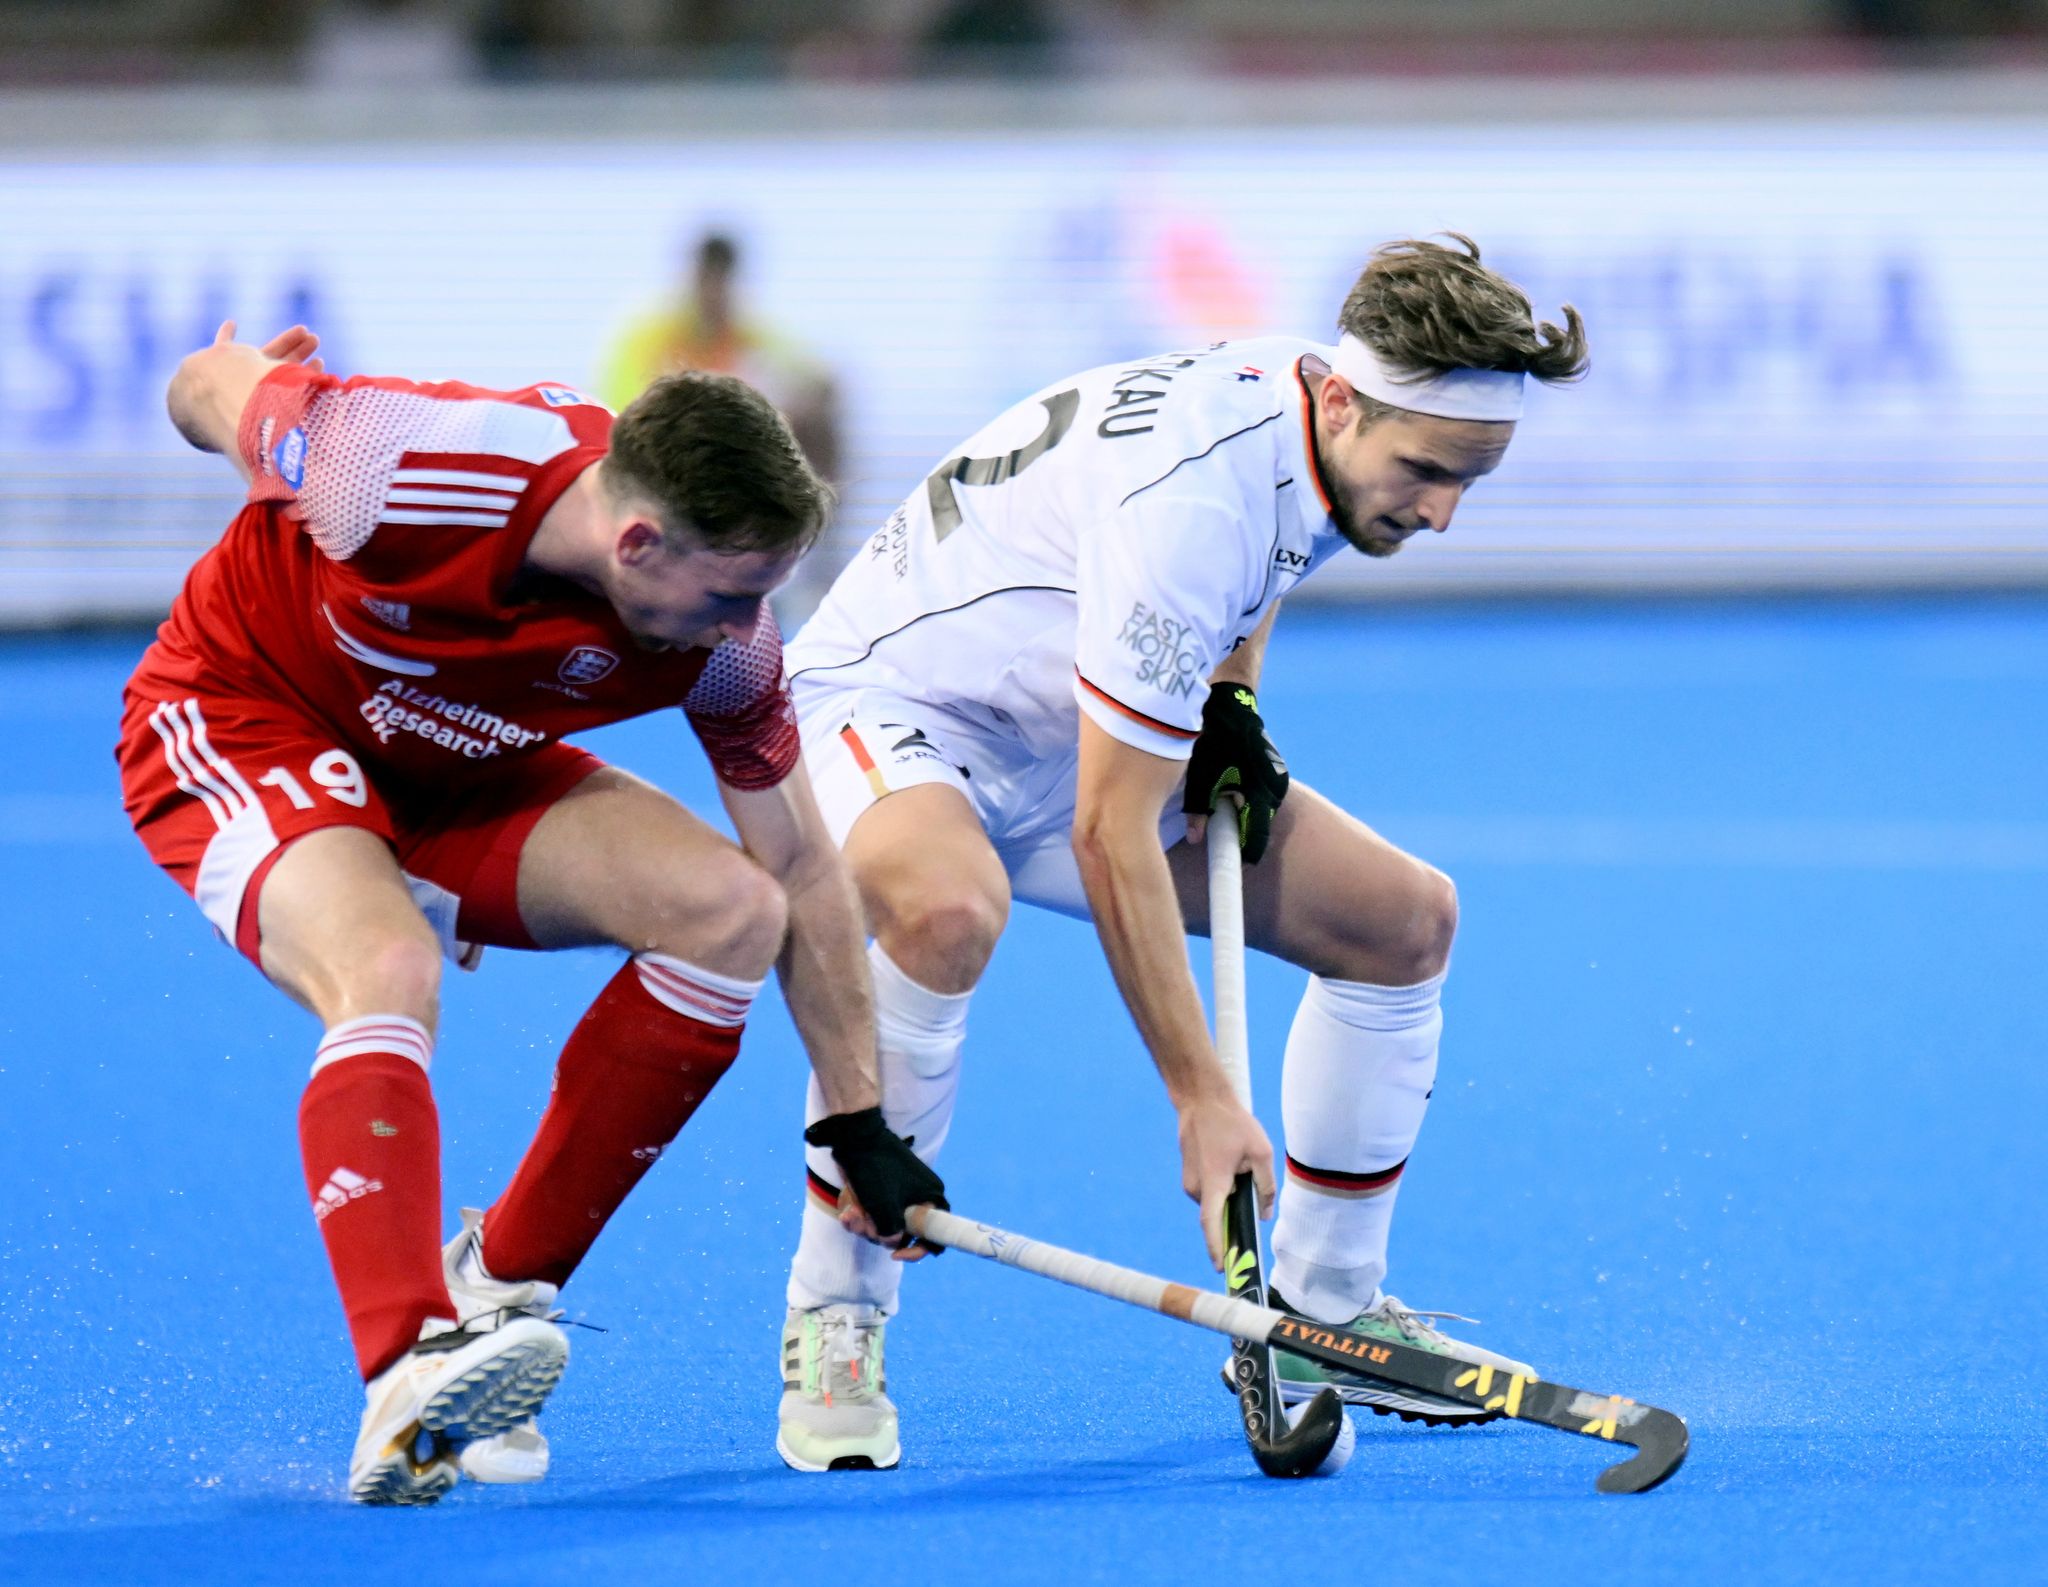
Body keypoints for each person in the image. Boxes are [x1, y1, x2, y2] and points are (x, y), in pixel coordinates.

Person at [773, 235, 1589, 1472]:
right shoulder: (1192, 494)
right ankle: (837, 1311)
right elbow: (1110, 837)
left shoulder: (1306, 420)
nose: (1441, 511)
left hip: (1076, 728)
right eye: (1425, 472)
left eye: (1471, 479)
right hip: (892, 710)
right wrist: (1202, 1101)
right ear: (1335, 397)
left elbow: (1253, 576)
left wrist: (1231, 701)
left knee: (1401, 921)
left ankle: (1321, 1310)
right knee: (948, 914)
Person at [118, 323, 944, 1505]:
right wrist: (240, 381)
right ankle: (408, 1363)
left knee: (729, 908)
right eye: (728, 595)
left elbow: (803, 867)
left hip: (458, 766)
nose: (741, 629)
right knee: (387, 964)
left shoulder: (726, 649)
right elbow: (208, 382)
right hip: (252, 717)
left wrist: (855, 1121)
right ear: (638, 539)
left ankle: (495, 1290)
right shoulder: (388, 467)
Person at [603, 232, 842, 484]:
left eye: (722, 280)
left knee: (815, 418)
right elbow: (624, 407)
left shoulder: (748, 333)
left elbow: (807, 375)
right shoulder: (647, 334)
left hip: (732, 449)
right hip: (668, 449)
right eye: (707, 279)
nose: (713, 292)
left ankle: (816, 512)